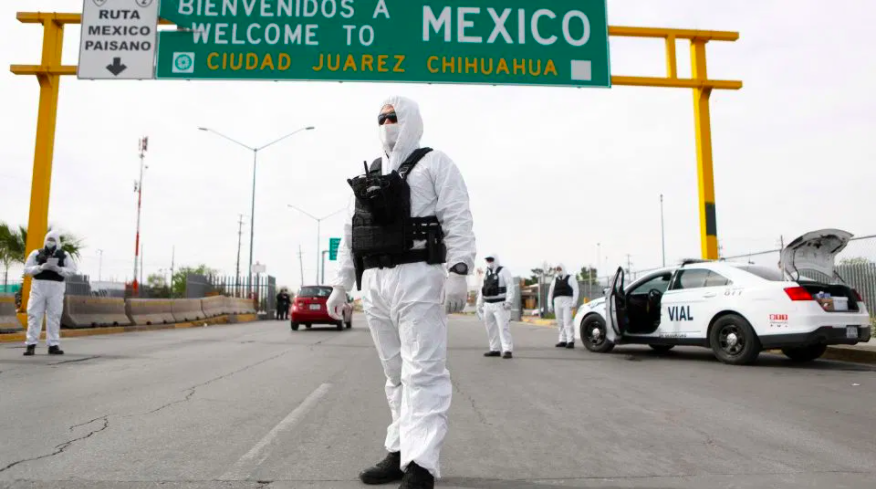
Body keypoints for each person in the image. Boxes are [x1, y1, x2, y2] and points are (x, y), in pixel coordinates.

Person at [326, 96, 475, 489]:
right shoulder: (369, 173)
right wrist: (341, 284)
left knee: (423, 372)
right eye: (382, 118)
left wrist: (459, 269)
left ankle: (422, 464)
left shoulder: (435, 163)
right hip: (374, 282)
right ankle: (400, 449)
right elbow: (350, 232)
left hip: (418, 277)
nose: (388, 123)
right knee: (395, 374)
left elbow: (457, 214)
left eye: (393, 117)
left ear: (410, 120)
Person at [22, 231, 77, 356]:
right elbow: (27, 269)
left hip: (56, 288)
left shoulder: (64, 255)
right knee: (34, 315)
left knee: (54, 316)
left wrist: (59, 269)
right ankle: (31, 345)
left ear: (57, 242)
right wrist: (41, 268)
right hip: (38, 287)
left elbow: (72, 270)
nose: (50, 242)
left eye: (53, 239)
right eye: (48, 239)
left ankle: (53, 345)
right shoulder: (36, 253)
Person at [476, 253, 514, 359]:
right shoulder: (486, 273)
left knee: (503, 328)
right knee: (490, 328)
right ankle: (494, 349)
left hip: (500, 304)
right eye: (487, 259)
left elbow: (510, 286)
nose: (489, 261)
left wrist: (509, 301)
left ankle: (507, 349)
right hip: (488, 305)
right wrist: (479, 303)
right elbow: (481, 289)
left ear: (495, 259)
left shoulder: (504, 271)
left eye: (491, 259)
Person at [547, 264, 579, 349]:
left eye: (559, 269)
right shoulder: (554, 280)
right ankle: (562, 340)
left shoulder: (571, 278)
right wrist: (549, 304)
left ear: (563, 268)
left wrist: (574, 302)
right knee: (560, 322)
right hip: (557, 302)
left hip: (567, 301)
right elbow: (550, 294)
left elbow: (576, 290)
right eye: (557, 269)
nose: (558, 270)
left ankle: (570, 341)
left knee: (567, 321)